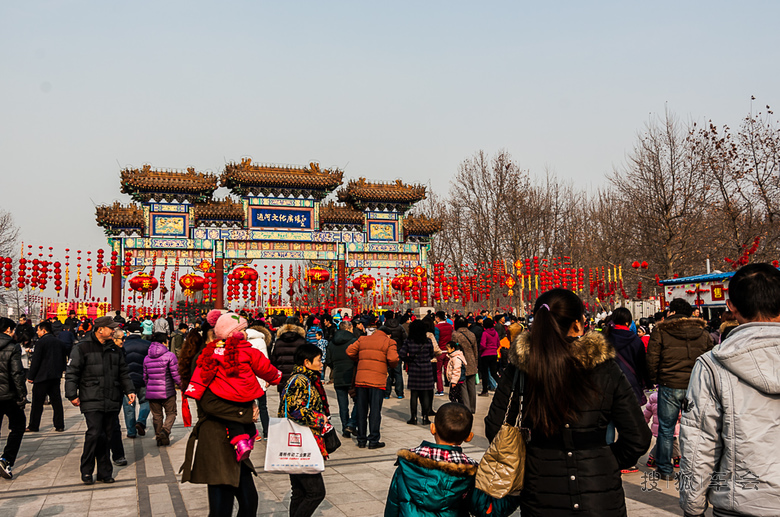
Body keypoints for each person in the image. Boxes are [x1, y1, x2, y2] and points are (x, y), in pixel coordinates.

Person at [485, 289, 651, 515]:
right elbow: (638, 438)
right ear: (578, 323)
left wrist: (532, 460)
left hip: (540, 491)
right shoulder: (604, 367)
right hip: (600, 495)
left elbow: (496, 427)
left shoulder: (522, 367)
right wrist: (603, 461)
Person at [680, 263, 780, 517]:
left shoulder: (713, 365)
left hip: (740, 503)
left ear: (731, 305)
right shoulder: (712, 364)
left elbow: (700, 443)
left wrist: (692, 506)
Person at [180, 312, 263, 517]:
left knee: (249, 500)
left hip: (236, 435)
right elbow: (209, 403)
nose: (242, 336)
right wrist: (243, 412)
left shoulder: (232, 356)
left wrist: (251, 404)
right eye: (238, 331)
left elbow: (240, 389)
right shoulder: (205, 359)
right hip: (216, 436)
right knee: (221, 508)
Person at [186, 312, 282, 461]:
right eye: (243, 330)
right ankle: (249, 438)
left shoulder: (213, 351)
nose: (245, 333)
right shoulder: (249, 351)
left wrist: (194, 389)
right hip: (246, 393)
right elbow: (265, 368)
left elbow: (202, 372)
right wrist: (276, 377)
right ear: (235, 333)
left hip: (225, 394)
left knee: (233, 422)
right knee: (247, 420)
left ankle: (241, 442)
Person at [646, 297, 713, 481]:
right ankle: (695, 469)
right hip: (695, 385)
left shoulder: (661, 330)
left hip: (669, 384)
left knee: (666, 429)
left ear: (672, 311)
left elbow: (652, 358)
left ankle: (665, 469)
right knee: (695, 428)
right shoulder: (702, 332)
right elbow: (710, 357)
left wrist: (654, 380)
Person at [65, 316, 136, 485]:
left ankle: (105, 472)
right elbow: (72, 372)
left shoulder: (115, 349)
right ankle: (87, 470)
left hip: (112, 397)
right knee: (94, 433)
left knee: (108, 435)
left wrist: (129, 390)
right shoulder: (82, 348)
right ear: (100, 330)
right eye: (111, 328)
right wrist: (72, 394)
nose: (114, 331)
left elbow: (123, 372)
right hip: (91, 396)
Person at [385, 402, 478, 517]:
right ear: (469, 437)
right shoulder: (470, 472)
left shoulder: (408, 464)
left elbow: (393, 505)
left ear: (432, 428)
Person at [279, 343, 331, 517]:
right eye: (318, 360)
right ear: (307, 362)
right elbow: (294, 410)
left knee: (300, 492)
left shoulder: (302, 379)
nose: (321, 363)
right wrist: (319, 418)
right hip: (303, 443)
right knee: (316, 492)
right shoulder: (301, 380)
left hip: (298, 443)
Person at [347, 324, 399, 449]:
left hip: (361, 380)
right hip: (377, 381)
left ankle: (361, 440)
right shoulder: (389, 342)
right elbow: (393, 358)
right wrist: (389, 365)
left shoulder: (363, 339)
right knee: (375, 411)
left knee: (361, 410)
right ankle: (373, 440)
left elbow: (349, 351)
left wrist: (360, 359)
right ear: (388, 334)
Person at [25, 321, 66, 433]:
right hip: (55, 376)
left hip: (41, 377)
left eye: (38, 330)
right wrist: (61, 370)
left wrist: (31, 376)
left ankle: (34, 425)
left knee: (37, 403)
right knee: (56, 402)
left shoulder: (41, 343)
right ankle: (59, 425)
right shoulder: (59, 342)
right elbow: (63, 358)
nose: (37, 332)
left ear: (44, 330)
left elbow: (36, 360)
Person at [143, 332, 181, 446]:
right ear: (165, 342)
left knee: (157, 416)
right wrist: (182, 386)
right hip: (167, 391)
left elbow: (145, 377)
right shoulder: (170, 356)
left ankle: (160, 438)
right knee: (171, 413)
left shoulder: (146, 357)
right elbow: (176, 375)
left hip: (152, 393)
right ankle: (165, 430)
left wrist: (149, 387)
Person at [0, 318, 26, 480]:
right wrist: (22, 394)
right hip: (8, 396)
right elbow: (17, 373)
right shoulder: (12, 347)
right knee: (18, 426)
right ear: (9, 330)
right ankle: (6, 459)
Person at [398, 320, 436, 426]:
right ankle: (425, 417)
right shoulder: (428, 341)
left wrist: (409, 359)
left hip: (414, 369)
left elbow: (401, 354)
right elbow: (432, 354)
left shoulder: (409, 341)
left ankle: (413, 417)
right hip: (427, 369)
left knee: (414, 395)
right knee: (425, 394)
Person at [326, 321, 358, 438]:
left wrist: (335, 368)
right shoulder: (354, 341)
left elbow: (328, 360)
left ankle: (345, 428)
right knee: (358, 402)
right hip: (352, 376)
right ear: (350, 328)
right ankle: (352, 424)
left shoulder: (332, 343)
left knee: (342, 405)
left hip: (338, 376)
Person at [122, 321, 151, 438]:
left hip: (127, 380)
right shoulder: (148, 344)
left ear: (128, 332)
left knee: (129, 406)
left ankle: (131, 431)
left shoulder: (122, 345)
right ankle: (141, 421)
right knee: (146, 401)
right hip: (143, 379)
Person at [246, 324, 273, 439]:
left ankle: (252, 432)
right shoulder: (261, 341)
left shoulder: (243, 340)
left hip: (247, 377)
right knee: (263, 406)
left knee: (248, 405)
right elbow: (265, 360)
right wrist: (267, 377)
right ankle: (266, 431)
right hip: (259, 376)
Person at [270, 318, 307, 393]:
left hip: (283, 377)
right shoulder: (302, 341)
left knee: (284, 401)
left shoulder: (279, 342)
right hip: (299, 375)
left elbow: (273, 360)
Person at [452, 318, 478, 413]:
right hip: (471, 362)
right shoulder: (472, 334)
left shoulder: (455, 335)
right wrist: (476, 363)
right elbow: (475, 350)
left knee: (463, 387)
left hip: (461, 362)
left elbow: (454, 350)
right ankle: (472, 407)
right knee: (471, 387)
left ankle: (466, 408)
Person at [380, 311, 407, 400]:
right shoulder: (400, 327)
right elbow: (405, 339)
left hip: (386, 353)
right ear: (394, 316)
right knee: (398, 373)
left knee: (386, 373)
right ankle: (400, 393)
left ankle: (386, 393)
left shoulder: (382, 328)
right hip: (397, 352)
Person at [478, 318, 499, 397]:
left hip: (485, 354)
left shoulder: (485, 333)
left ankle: (485, 390)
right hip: (494, 354)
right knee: (494, 372)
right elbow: (498, 343)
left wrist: (481, 350)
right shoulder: (496, 333)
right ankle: (502, 384)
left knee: (485, 373)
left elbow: (483, 345)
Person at [434, 311, 453, 395]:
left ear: (438, 318)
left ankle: (440, 390)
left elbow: (436, 340)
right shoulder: (450, 326)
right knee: (448, 370)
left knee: (438, 372)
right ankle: (452, 388)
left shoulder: (437, 327)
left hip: (440, 352)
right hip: (448, 351)